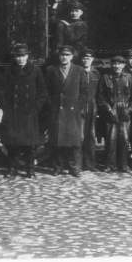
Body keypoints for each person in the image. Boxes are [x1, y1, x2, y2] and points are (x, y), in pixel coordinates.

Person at [0, 43, 48, 178]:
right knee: (13, 144)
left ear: (27, 56)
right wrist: (5, 106)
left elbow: (42, 92)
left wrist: (36, 108)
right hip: (13, 112)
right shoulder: (8, 71)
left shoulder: (36, 71)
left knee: (30, 144)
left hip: (29, 112)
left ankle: (30, 170)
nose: (20, 58)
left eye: (23, 56)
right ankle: (13, 169)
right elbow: (0, 90)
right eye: (18, 56)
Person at [44, 45, 89, 177]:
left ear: (72, 57)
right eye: (62, 55)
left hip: (72, 111)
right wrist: (51, 104)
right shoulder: (50, 70)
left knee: (74, 142)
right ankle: (57, 167)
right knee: (57, 141)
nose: (64, 57)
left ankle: (74, 168)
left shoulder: (79, 70)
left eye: (67, 55)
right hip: (57, 109)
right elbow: (45, 90)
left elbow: (85, 91)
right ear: (59, 56)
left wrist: (78, 106)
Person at [95, 55, 132, 173]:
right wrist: (108, 110)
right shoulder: (105, 78)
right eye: (114, 64)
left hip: (124, 112)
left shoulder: (129, 77)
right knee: (111, 138)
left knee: (124, 139)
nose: (117, 66)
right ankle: (110, 165)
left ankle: (123, 165)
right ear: (111, 65)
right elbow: (100, 97)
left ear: (124, 65)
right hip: (111, 112)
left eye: (120, 64)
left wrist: (129, 110)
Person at [79, 49, 101, 172]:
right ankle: (79, 164)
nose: (86, 60)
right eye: (84, 58)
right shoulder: (77, 72)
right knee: (80, 137)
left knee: (91, 137)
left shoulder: (96, 74)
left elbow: (99, 93)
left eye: (88, 58)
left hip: (93, 108)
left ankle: (90, 164)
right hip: (80, 107)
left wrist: (97, 109)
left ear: (92, 59)